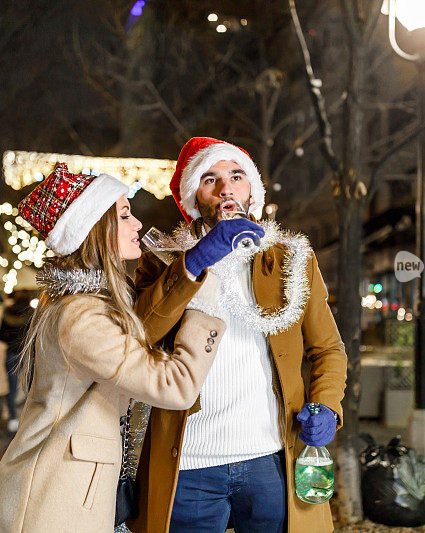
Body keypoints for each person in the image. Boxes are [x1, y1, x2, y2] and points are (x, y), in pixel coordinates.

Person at [0, 163, 256, 532]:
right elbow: (173, 386)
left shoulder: (91, 302)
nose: (138, 224)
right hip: (52, 498)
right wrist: (204, 303)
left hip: (72, 489)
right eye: (125, 215)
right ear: (95, 229)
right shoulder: (81, 317)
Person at [129, 137, 348, 533]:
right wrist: (194, 263)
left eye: (236, 175)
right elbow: (139, 335)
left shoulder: (291, 258)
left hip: (271, 459)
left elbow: (328, 348)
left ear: (252, 190)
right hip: (189, 463)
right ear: (193, 196)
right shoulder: (161, 261)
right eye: (210, 179)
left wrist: (328, 404)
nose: (226, 187)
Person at [0, 289, 33, 433]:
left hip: (11, 352)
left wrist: (10, 339)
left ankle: (12, 417)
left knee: (11, 387)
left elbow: (0, 336)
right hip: (27, 354)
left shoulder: (7, 312)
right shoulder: (32, 313)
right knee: (30, 386)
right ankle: (28, 418)